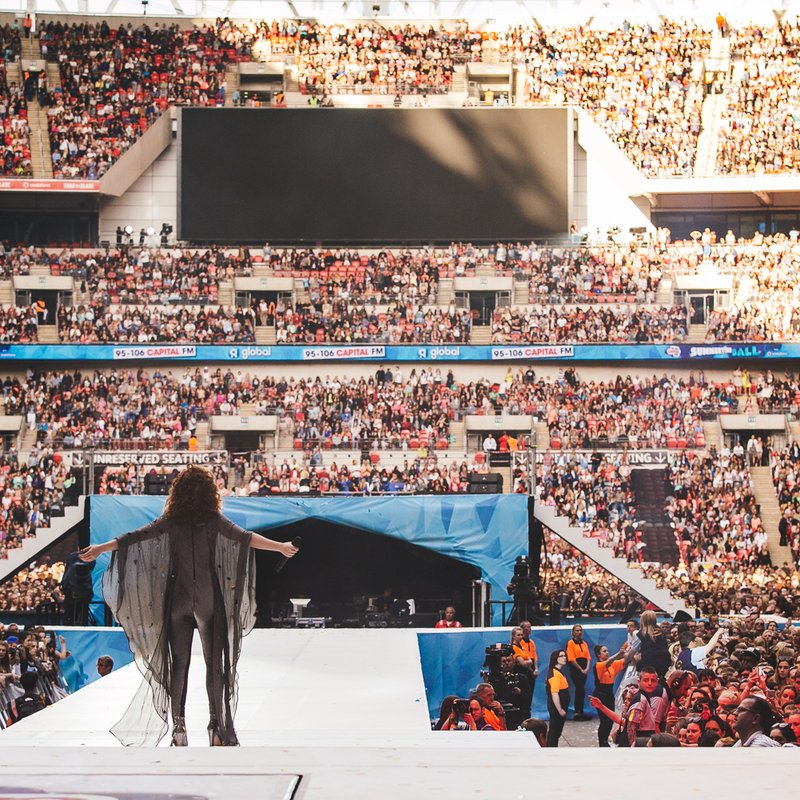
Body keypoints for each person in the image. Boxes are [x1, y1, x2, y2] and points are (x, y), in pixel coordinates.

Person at [78, 465, 298, 747]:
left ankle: (179, 730)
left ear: (178, 493)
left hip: (178, 601)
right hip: (207, 599)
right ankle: (216, 728)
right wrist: (280, 546)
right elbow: (245, 538)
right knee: (213, 666)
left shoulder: (170, 521)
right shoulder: (214, 520)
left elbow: (134, 537)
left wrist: (100, 548)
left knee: (178, 665)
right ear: (210, 493)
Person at [591, 642, 628, 746]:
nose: (607, 653)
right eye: (604, 651)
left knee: (610, 720)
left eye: (607, 651)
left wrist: (631, 651)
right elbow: (608, 662)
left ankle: (605, 740)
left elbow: (625, 661)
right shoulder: (599, 665)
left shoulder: (612, 665)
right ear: (599, 655)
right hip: (600, 694)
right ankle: (602, 742)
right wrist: (618, 654)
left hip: (609, 694)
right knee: (604, 721)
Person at [625, 666, 669, 746]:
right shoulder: (640, 700)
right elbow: (631, 727)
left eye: (653, 680)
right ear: (639, 682)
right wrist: (634, 747)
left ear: (657, 682)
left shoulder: (645, 697)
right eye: (645, 680)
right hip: (639, 743)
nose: (649, 683)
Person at [566, 624, 590, 719]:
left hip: (584, 667)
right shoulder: (571, 643)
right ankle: (577, 712)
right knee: (579, 689)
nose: (579, 632)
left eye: (580, 630)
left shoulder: (584, 643)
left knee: (582, 690)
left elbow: (588, 657)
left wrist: (587, 668)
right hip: (576, 668)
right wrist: (580, 669)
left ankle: (581, 711)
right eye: (577, 630)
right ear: (573, 632)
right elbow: (571, 659)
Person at [546, 649, 569, 747]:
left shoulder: (558, 672)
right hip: (557, 708)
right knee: (554, 732)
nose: (565, 658)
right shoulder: (554, 674)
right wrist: (559, 709)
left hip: (561, 706)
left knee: (556, 732)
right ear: (556, 658)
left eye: (565, 655)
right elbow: (554, 693)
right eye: (562, 656)